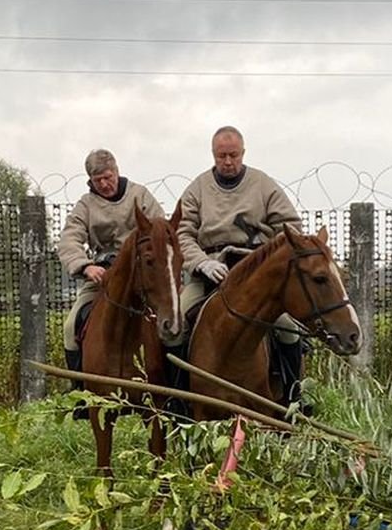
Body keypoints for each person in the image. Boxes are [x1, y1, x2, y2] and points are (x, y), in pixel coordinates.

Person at [173, 126, 307, 385]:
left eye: (233, 155)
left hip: (257, 272)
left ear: (243, 153)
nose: (227, 162)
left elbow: (290, 229)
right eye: (221, 156)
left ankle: (294, 393)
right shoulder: (197, 189)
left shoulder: (263, 185)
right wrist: (202, 262)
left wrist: (266, 258)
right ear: (213, 154)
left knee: (287, 327)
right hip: (211, 272)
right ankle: (177, 396)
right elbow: (182, 234)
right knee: (177, 323)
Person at [56, 148, 165, 376]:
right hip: (103, 276)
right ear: (90, 180)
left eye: (108, 177)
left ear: (116, 171)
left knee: (172, 323)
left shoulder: (140, 196)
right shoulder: (86, 205)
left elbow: (159, 229)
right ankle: (79, 387)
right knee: (70, 328)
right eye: (98, 180)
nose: (105, 184)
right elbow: (69, 239)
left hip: (142, 275)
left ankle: (172, 384)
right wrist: (85, 266)